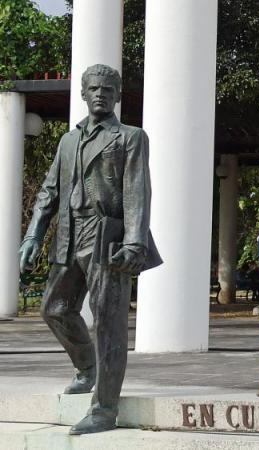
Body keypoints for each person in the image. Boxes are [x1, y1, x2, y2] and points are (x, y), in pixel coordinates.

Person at [18, 64, 161, 435]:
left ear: (117, 95)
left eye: (108, 89)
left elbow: (136, 192)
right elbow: (50, 192)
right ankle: (87, 367)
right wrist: (34, 235)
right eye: (94, 88)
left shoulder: (130, 137)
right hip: (69, 234)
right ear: (83, 93)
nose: (101, 94)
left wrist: (135, 241)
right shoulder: (69, 140)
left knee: (109, 324)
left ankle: (105, 409)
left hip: (106, 236)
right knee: (55, 309)